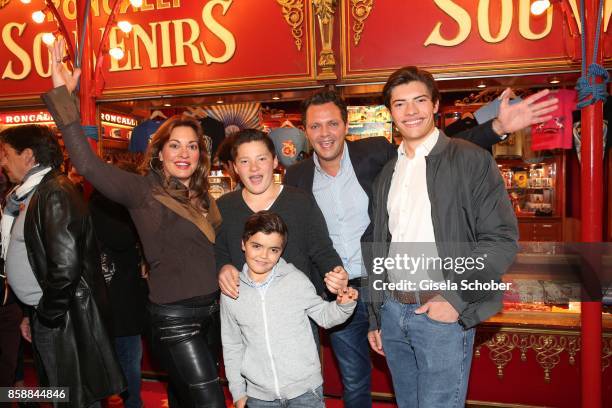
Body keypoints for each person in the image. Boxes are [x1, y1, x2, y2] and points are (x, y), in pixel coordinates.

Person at [283, 87, 557, 407]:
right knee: (354, 383)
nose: (324, 133)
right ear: (305, 131)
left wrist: (497, 128)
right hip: (340, 296)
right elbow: (292, 234)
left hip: (385, 289)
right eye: (315, 126)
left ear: (346, 125)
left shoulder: (375, 154)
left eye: (332, 124)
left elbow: (438, 153)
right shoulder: (297, 175)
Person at [42, 39, 225, 407]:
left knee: (186, 395)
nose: (184, 153)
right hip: (174, 318)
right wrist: (63, 96)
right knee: (210, 399)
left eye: (191, 146)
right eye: (175, 145)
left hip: (214, 313)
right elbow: (89, 165)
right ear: (159, 153)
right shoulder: (142, 190)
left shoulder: (204, 197)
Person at [367, 66, 520, 407]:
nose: (411, 111)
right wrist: (377, 315)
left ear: (435, 105)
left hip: (441, 311)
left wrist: (455, 299)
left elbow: (500, 239)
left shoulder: (470, 160)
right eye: (400, 104)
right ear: (390, 112)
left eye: (420, 100)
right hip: (393, 311)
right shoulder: (388, 172)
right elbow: (380, 246)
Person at [0, 124, 125, 408]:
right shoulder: (30, 194)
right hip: (50, 316)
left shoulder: (54, 192)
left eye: (6, 154)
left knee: (71, 396)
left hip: (63, 319)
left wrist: (46, 315)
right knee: (63, 393)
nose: (2, 162)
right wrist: (30, 313)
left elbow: (65, 267)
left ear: (28, 156)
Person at [220, 211, 358, 408]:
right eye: (256, 246)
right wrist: (238, 392)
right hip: (259, 396)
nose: (264, 256)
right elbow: (232, 345)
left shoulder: (295, 280)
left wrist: (343, 305)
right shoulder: (231, 290)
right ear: (243, 244)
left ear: (281, 252)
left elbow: (325, 317)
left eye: (273, 250)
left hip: (305, 392)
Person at [215, 129, 348, 306]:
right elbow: (218, 252)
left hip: (297, 315)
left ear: (275, 161)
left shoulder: (300, 202)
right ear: (236, 167)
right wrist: (223, 267)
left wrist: (337, 274)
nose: (254, 168)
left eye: (261, 159)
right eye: (245, 161)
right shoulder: (224, 207)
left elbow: (322, 251)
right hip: (245, 316)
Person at [88, 160, 148, 408]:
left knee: (127, 360)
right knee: (113, 361)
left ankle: (132, 402)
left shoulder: (125, 204)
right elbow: (121, 238)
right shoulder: (102, 203)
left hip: (125, 294)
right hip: (108, 294)